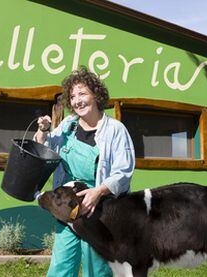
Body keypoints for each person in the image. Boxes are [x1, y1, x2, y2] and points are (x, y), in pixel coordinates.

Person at [34, 66, 135, 277]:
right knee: (60, 267)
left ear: (96, 95)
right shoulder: (68, 125)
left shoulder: (115, 130)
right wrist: (43, 131)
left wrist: (99, 191)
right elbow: (47, 149)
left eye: (82, 93)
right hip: (67, 208)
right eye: (72, 96)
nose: (77, 100)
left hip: (98, 210)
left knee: (96, 268)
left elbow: (123, 171)